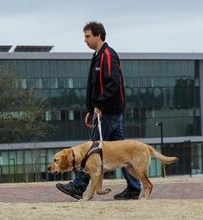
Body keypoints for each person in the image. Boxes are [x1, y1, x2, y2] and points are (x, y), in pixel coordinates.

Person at [56, 21, 141, 200]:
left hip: (108, 112)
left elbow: (112, 84)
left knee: (91, 149)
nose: (85, 40)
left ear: (98, 36)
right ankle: (134, 188)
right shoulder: (97, 55)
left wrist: (99, 106)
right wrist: (91, 109)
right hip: (105, 110)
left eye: (88, 36)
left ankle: (78, 187)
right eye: (84, 37)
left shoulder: (108, 55)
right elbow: (96, 86)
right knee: (122, 151)